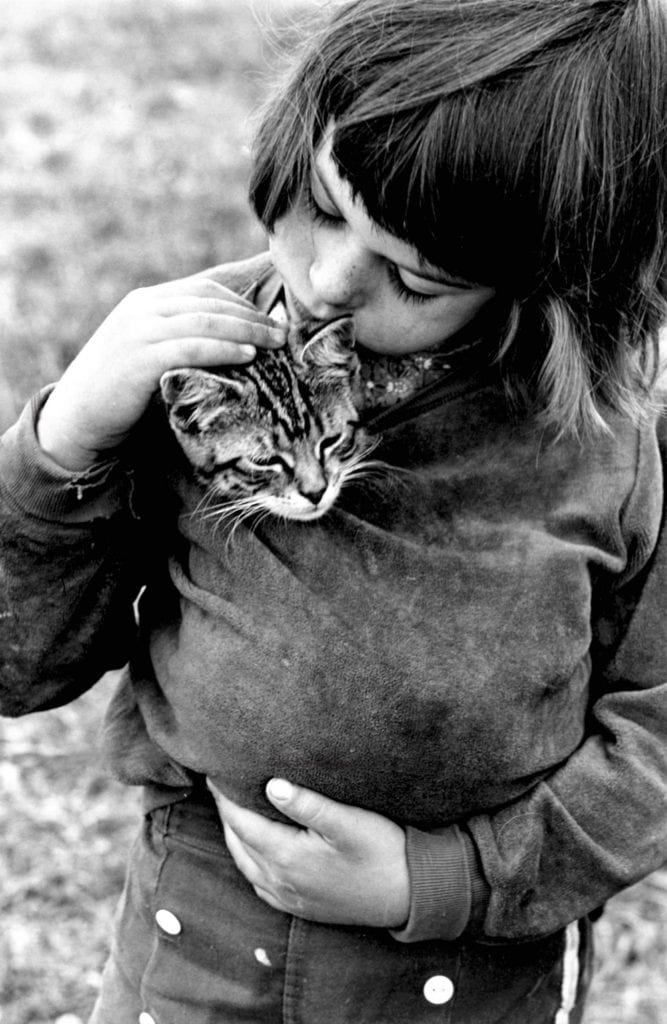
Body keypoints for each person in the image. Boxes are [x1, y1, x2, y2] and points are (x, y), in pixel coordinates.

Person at [1, 0, 666, 1021]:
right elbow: (19, 662)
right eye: (321, 205)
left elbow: (654, 730)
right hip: (195, 932)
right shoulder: (187, 369)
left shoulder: (597, 440)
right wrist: (62, 446)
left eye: (413, 276)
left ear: (554, 281)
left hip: (476, 964)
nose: (325, 282)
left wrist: (437, 880)